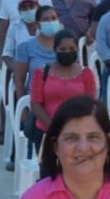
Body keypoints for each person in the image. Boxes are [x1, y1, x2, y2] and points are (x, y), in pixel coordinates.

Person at [27, 30, 98, 161]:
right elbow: (36, 104)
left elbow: (89, 104)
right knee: (49, 175)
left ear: (77, 49)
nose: (67, 52)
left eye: (71, 48)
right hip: (47, 131)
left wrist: (71, 129)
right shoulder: (42, 72)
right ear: (55, 50)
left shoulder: (86, 73)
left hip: (77, 133)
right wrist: (54, 128)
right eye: (63, 49)